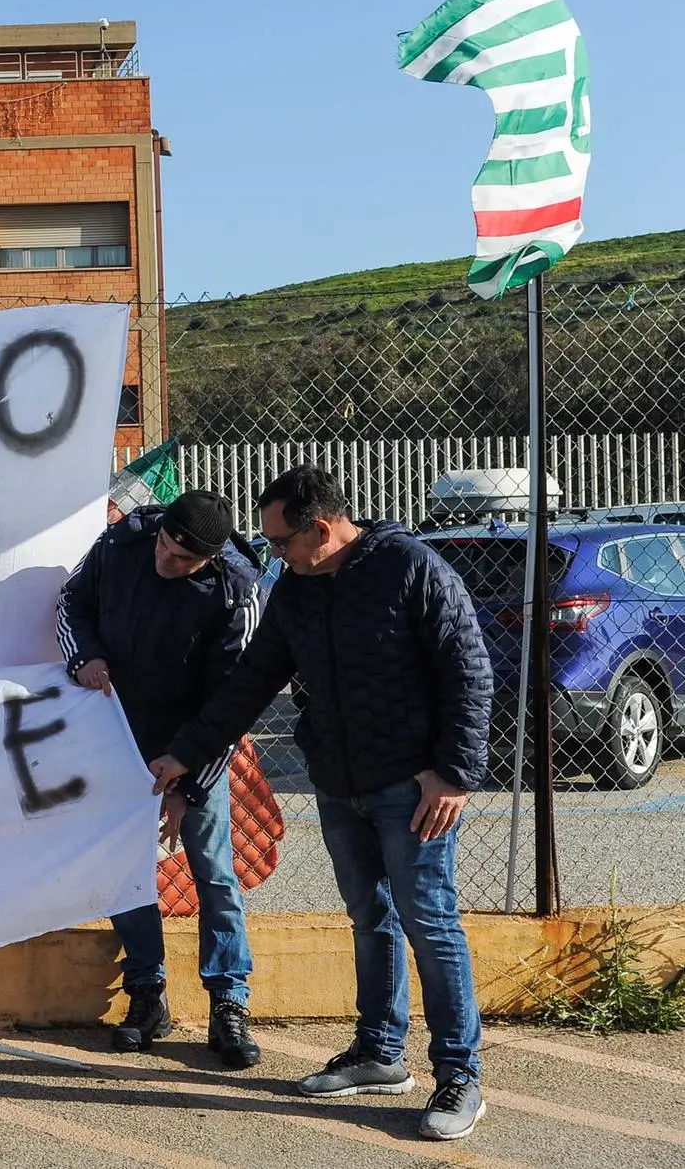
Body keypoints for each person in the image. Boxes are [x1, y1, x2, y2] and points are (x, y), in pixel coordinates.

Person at [150, 465, 493, 1141]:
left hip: (413, 788)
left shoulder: (408, 568)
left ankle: (459, 1074)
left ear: (320, 528)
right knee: (369, 915)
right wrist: (185, 752)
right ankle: (378, 1051)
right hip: (339, 785)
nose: (272, 554)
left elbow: (467, 666)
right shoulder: (297, 591)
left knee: (429, 922)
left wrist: (452, 773)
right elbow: (250, 682)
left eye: (280, 541)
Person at [57, 490, 263, 1067]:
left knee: (214, 873)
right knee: (127, 873)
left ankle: (229, 1002)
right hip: (118, 740)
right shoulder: (121, 545)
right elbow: (70, 604)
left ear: (212, 560)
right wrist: (85, 658)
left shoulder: (236, 590)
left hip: (195, 745)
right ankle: (147, 993)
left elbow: (231, 704)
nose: (166, 563)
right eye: (166, 549)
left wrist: (187, 784)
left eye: (183, 561)